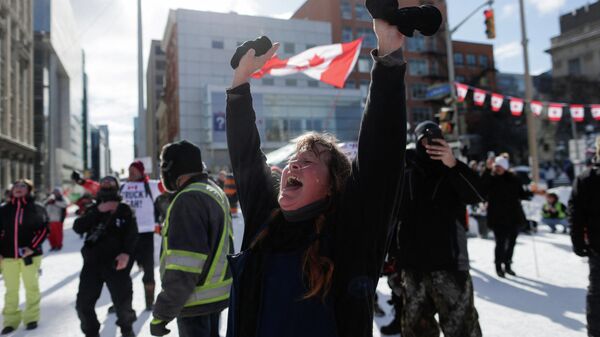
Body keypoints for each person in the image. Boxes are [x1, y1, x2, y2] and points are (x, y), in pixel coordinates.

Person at [224, 18, 406, 337]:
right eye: (295, 159)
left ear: (332, 186)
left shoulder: (350, 232)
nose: (293, 165)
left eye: (308, 161)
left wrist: (389, 58)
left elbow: (381, 156)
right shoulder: (265, 222)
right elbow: (246, 155)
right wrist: (240, 80)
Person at [385, 121, 483, 337]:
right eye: (425, 140)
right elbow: (392, 216)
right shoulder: (405, 171)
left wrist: (453, 164)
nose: (430, 146)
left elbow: (476, 194)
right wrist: (392, 258)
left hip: (450, 265)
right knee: (415, 330)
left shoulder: (452, 171)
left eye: (436, 140)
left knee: (462, 329)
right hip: (412, 268)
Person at [151, 140, 233, 337]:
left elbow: (185, 266)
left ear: (172, 168)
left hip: (194, 302)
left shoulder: (188, 199)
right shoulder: (213, 191)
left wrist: (162, 313)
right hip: (213, 298)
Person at [73, 176, 138, 337]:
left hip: (116, 263)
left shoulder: (125, 209)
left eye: (111, 182)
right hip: (92, 263)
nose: (106, 184)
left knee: (123, 305)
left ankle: (127, 329)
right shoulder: (92, 208)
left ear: (117, 187)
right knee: (83, 305)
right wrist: (97, 211)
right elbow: (78, 227)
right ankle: (91, 332)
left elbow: (132, 236)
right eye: (104, 182)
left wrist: (126, 254)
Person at [0, 180, 49, 334]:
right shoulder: (4, 209)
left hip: (30, 256)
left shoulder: (36, 208)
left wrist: (32, 247)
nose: (18, 189)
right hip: (8, 256)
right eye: (15, 186)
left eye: (23, 186)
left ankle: (31, 318)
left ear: (29, 190)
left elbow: (44, 230)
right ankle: (10, 321)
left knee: (31, 287)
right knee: (11, 289)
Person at [569, 136, 600, 337]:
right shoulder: (586, 179)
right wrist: (578, 241)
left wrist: (578, 242)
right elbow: (576, 213)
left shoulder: (586, 178)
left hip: (597, 246)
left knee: (597, 294)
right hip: (597, 246)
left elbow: (576, 214)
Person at [120, 161, 161, 311]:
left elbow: (166, 186)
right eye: (129, 170)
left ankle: (149, 302)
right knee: (121, 272)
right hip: (126, 235)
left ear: (141, 172)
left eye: (134, 171)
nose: (130, 173)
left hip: (146, 234)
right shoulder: (122, 186)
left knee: (148, 270)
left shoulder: (150, 186)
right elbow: (102, 189)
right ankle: (120, 303)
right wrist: (82, 181)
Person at [481, 156, 532, 278]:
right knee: (500, 242)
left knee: (512, 242)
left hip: (513, 215)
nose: (498, 169)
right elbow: (482, 188)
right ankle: (498, 266)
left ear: (505, 167)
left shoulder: (514, 179)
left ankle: (508, 264)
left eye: (500, 166)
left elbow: (521, 194)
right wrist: (487, 170)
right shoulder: (491, 178)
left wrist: (530, 192)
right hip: (497, 216)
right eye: (496, 166)